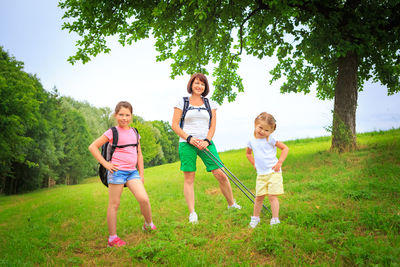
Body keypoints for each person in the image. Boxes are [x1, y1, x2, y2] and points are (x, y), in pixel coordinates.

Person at [171, 73, 241, 224]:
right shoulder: (181, 102)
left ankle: (231, 204)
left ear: (205, 87)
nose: (199, 86)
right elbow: (174, 125)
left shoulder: (211, 104)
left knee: (220, 174)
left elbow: (213, 126)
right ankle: (192, 213)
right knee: (189, 178)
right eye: (196, 83)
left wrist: (207, 141)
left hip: (206, 142)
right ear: (191, 84)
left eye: (202, 84)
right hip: (187, 143)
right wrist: (189, 138)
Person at [88, 101, 156, 248]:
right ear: (115, 115)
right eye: (121, 115)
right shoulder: (112, 132)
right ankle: (112, 239)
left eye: (127, 115)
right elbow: (92, 147)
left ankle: (148, 224)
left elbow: (139, 155)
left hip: (132, 172)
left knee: (144, 198)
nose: (124, 118)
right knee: (114, 204)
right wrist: (105, 164)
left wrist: (141, 174)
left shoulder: (135, 133)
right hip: (117, 172)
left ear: (131, 116)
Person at [246, 112, 289, 228]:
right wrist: (254, 163)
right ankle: (255, 218)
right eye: (260, 127)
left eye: (266, 130)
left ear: (271, 131)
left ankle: (275, 219)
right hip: (261, 174)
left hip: (273, 172)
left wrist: (279, 162)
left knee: (272, 196)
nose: (262, 131)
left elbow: (285, 148)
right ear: (255, 125)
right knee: (259, 197)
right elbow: (248, 154)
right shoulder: (251, 141)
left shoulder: (270, 139)